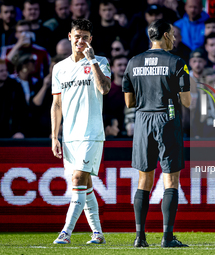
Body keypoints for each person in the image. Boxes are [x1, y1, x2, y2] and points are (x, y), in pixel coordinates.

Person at [122, 19, 191, 248]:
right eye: (171, 34)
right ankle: (167, 238)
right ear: (164, 35)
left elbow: (129, 102)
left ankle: (140, 238)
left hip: (142, 121)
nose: (174, 38)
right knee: (170, 180)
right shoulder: (177, 62)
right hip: (167, 119)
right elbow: (187, 101)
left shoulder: (133, 62)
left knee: (144, 180)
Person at [51, 19, 111, 244]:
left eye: (85, 37)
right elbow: (56, 105)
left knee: (77, 178)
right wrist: (54, 136)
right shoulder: (59, 67)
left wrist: (92, 60)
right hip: (70, 136)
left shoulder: (101, 61)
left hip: (91, 133)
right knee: (85, 185)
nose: (81, 40)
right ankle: (98, 233)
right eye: (77, 36)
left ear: (91, 40)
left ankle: (65, 232)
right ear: (70, 37)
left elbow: (104, 89)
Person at [0, 59, 27, 139]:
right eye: (1, 71)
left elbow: (23, 110)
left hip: (12, 133)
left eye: (5, 70)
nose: (5, 73)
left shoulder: (15, 86)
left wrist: (20, 131)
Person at [104, 54, 128, 137]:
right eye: (119, 65)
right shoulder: (107, 90)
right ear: (112, 68)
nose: (123, 68)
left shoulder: (135, 89)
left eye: (125, 65)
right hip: (113, 134)